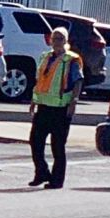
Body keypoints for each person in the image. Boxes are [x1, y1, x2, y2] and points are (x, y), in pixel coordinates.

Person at [29, 27, 83, 189]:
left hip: (61, 108)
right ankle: (42, 173)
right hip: (44, 107)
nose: (56, 42)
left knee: (57, 146)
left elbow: (78, 81)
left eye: (60, 38)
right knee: (35, 141)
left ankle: (57, 180)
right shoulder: (45, 57)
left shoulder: (70, 60)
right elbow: (40, 82)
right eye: (54, 38)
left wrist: (74, 101)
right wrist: (34, 101)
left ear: (66, 41)